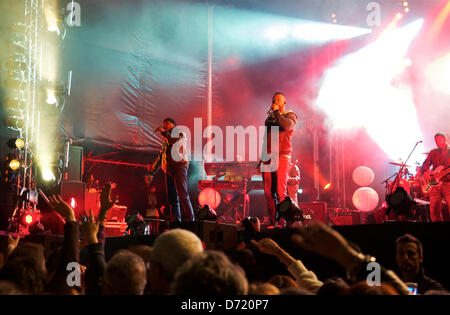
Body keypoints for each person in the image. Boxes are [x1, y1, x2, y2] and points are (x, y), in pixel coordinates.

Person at [260, 92, 297, 226]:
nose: (275, 101)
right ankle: (272, 222)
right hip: (268, 157)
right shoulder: (270, 119)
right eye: (274, 99)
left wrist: (276, 112)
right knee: (268, 193)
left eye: (278, 100)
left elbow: (286, 125)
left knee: (281, 192)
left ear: (284, 103)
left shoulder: (290, 116)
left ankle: (284, 223)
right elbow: (267, 137)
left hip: (282, 156)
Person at [151, 118, 195, 222]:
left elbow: (173, 140)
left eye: (167, 123)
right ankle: (176, 221)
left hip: (179, 166)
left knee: (182, 194)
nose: (164, 125)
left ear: (173, 124)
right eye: (163, 124)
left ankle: (191, 220)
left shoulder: (180, 132)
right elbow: (161, 157)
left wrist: (163, 132)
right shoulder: (165, 143)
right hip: (169, 170)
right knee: (172, 198)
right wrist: (152, 170)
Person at [420, 132, 450, 222]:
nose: (437, 142)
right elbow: (425, 165)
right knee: (434, 212)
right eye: (436, 141)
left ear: (445, 140)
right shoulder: (433, 152)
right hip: (433, 184)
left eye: (439, 140)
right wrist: (425, 172)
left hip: (448, 183)